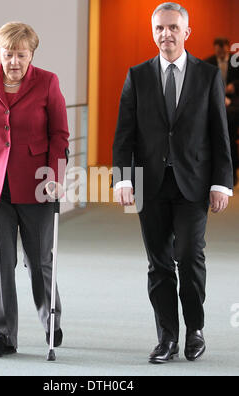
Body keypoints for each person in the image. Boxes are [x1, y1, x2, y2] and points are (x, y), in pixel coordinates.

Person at [113, 2, 233, 364]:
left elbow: (219, 134)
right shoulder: (137, 75)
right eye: (159, 28)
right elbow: (124, 135)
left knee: (188, 255)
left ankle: (194, 328)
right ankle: (167, 337)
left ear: (186, 32)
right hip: (150, 184)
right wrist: (123, 179)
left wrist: (222, 183)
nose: (166, 34)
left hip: (193, 184)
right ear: (154, 33)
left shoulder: (208, 76)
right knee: (159, 263)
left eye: (172, 27)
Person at [0, 22, 69, 358]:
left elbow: (60, 135)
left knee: (38, 260)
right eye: (9, 54)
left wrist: (56, 175)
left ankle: (50, 319)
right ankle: (4, 333)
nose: (15, 62)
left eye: (22, 55)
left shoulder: (48, 82)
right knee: (0, 261)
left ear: (31, 54)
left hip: (38, 184)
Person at [205, 38, 239, 186]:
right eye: (217, 51)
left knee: (230, 140)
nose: (220, 53)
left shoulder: (235, 61)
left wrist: (234, 86)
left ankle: (232, 175)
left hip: (233, 104)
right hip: (215, 103)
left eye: (223, 50)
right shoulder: (208, 62)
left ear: (227, 48)